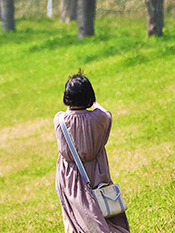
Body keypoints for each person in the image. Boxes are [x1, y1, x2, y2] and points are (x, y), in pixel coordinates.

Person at [53, 72, 130, 233]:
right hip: (97, 172)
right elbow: (106, 114)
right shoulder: (100, 119)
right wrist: (94, 103)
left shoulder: (60, 121)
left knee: (75, 218)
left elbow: (69, 115)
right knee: (106, 211)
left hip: (71, 178)